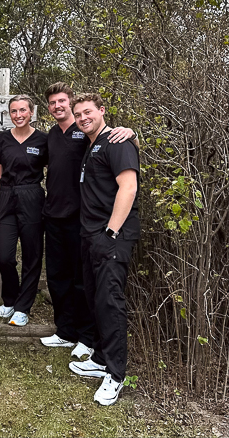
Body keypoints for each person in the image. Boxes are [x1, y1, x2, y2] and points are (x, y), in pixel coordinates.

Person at [40, 83, 137, 360]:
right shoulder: (51, 136)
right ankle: (65, 330)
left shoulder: (84, 133)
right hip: (53, 217)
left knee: (82, 282)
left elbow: (115, 145)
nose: (57, 106)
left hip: (81, 220)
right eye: (52, 103)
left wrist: (132, 133)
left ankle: (86, 336)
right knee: (57, 278)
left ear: (69, 104)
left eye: (62, 101)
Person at [68, 93, 140, 406]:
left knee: (110, 304)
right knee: (95, 300)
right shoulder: (92, 144)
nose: (83, 118)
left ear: (102, 111)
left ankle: (115, 375)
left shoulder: (117, 141)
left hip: (111, 237)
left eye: (88, 112)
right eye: (78, 114)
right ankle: (99, 360)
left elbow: (129, 186)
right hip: (92, 237)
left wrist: (111, 231)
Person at [0, 95, 48, 327]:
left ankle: (23, 307)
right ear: (9, 114)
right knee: (4, 255)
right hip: (6, 198)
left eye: (23, 110)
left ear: (31, 112)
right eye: (14, 111)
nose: (18, 115)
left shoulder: (43, 140)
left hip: (32, 196)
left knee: (32, 256)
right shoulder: (3, 139)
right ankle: (11, 300)